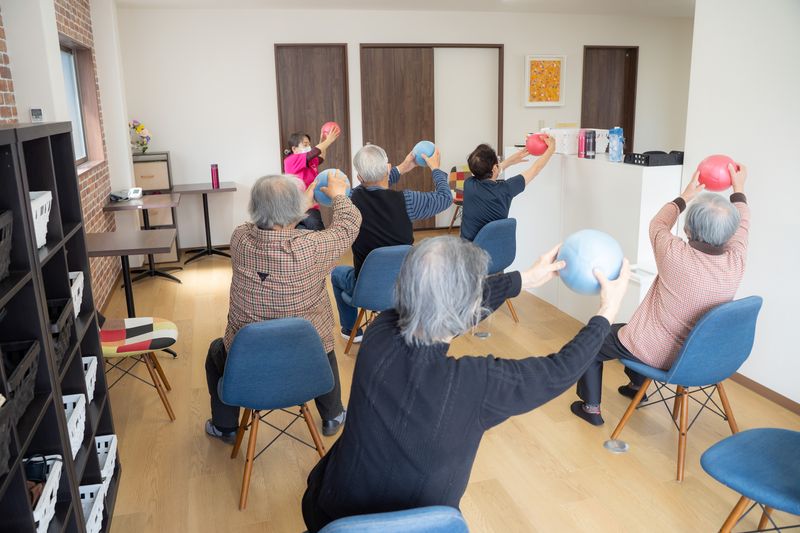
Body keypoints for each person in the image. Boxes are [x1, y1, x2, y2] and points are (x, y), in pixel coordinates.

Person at [302, 236, 631, 531]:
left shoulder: (378, 332)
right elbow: (559, 370)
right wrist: (606, 311)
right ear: (470, 307)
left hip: (330, 514)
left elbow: (440, 306)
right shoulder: (475, 384)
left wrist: (523, 280)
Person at [571, 163, 751, 426]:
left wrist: (685, 195)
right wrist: (739, 189)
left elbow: (659, 222)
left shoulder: (674, 254)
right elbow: (744, 222)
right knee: (631, 330)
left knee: (593, 336)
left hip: (658, 354)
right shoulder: (736, 260)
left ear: (688, 231)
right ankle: (636, 386)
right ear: (732, 233)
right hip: (704, 358)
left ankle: (590, 407)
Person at [205, 171, 360, 443]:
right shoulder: (312, 247)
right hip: (308, 358)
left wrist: (299, 204)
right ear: (295, 212)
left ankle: (225, 427)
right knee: (323, 341)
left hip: (248, 360)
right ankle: (333, 414)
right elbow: (348, 226)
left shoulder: (239, 239)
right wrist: (337, 196)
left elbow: (263, 224)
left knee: (216, 351)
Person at [331, 144, 452, 342]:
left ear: (359, 178)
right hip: (406, 289)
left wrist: (403, 167)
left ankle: (351, 330)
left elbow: (371, 186)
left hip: (365, 290)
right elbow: (445, 198)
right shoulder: (408, 201)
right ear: (387, 168)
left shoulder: (349, 201)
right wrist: (436, 169)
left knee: (336, 274)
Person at [460, 136, 556, 241]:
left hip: (466, 251)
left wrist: (510, 161)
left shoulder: (468, 184)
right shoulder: (506, 189)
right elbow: (535, 169)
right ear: (495, 168)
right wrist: (551, 149)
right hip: (492, 250)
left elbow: (491, 170)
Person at [283, 126, 341, 231]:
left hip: (311, 206)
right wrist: (329, 140)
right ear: (294, 149)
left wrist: (322, 141)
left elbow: (320, 157)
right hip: (298, 209)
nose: (309, 147)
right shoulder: (291, 160)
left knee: (310, 235)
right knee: (319, 235)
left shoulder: (308, 160)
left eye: (309, 144)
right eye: (305, 144)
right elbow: (313, 152)